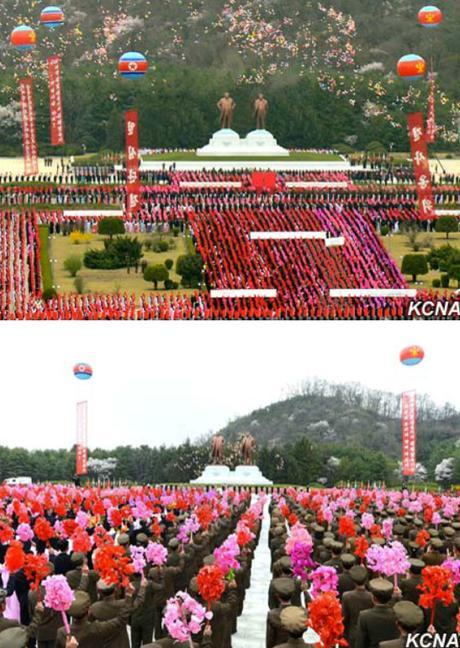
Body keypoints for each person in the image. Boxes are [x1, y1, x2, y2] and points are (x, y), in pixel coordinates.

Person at [356, 579, 399, 648]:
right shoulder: (397, 614)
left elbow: (360, 643)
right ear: (390, 597)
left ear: (373, 598)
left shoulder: (364, 616)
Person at [342, 566, 374, 648]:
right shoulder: (372, 596)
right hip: (369, 633)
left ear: (353, 581)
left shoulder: (346, 596)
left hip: (353, 634)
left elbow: (344, 617)